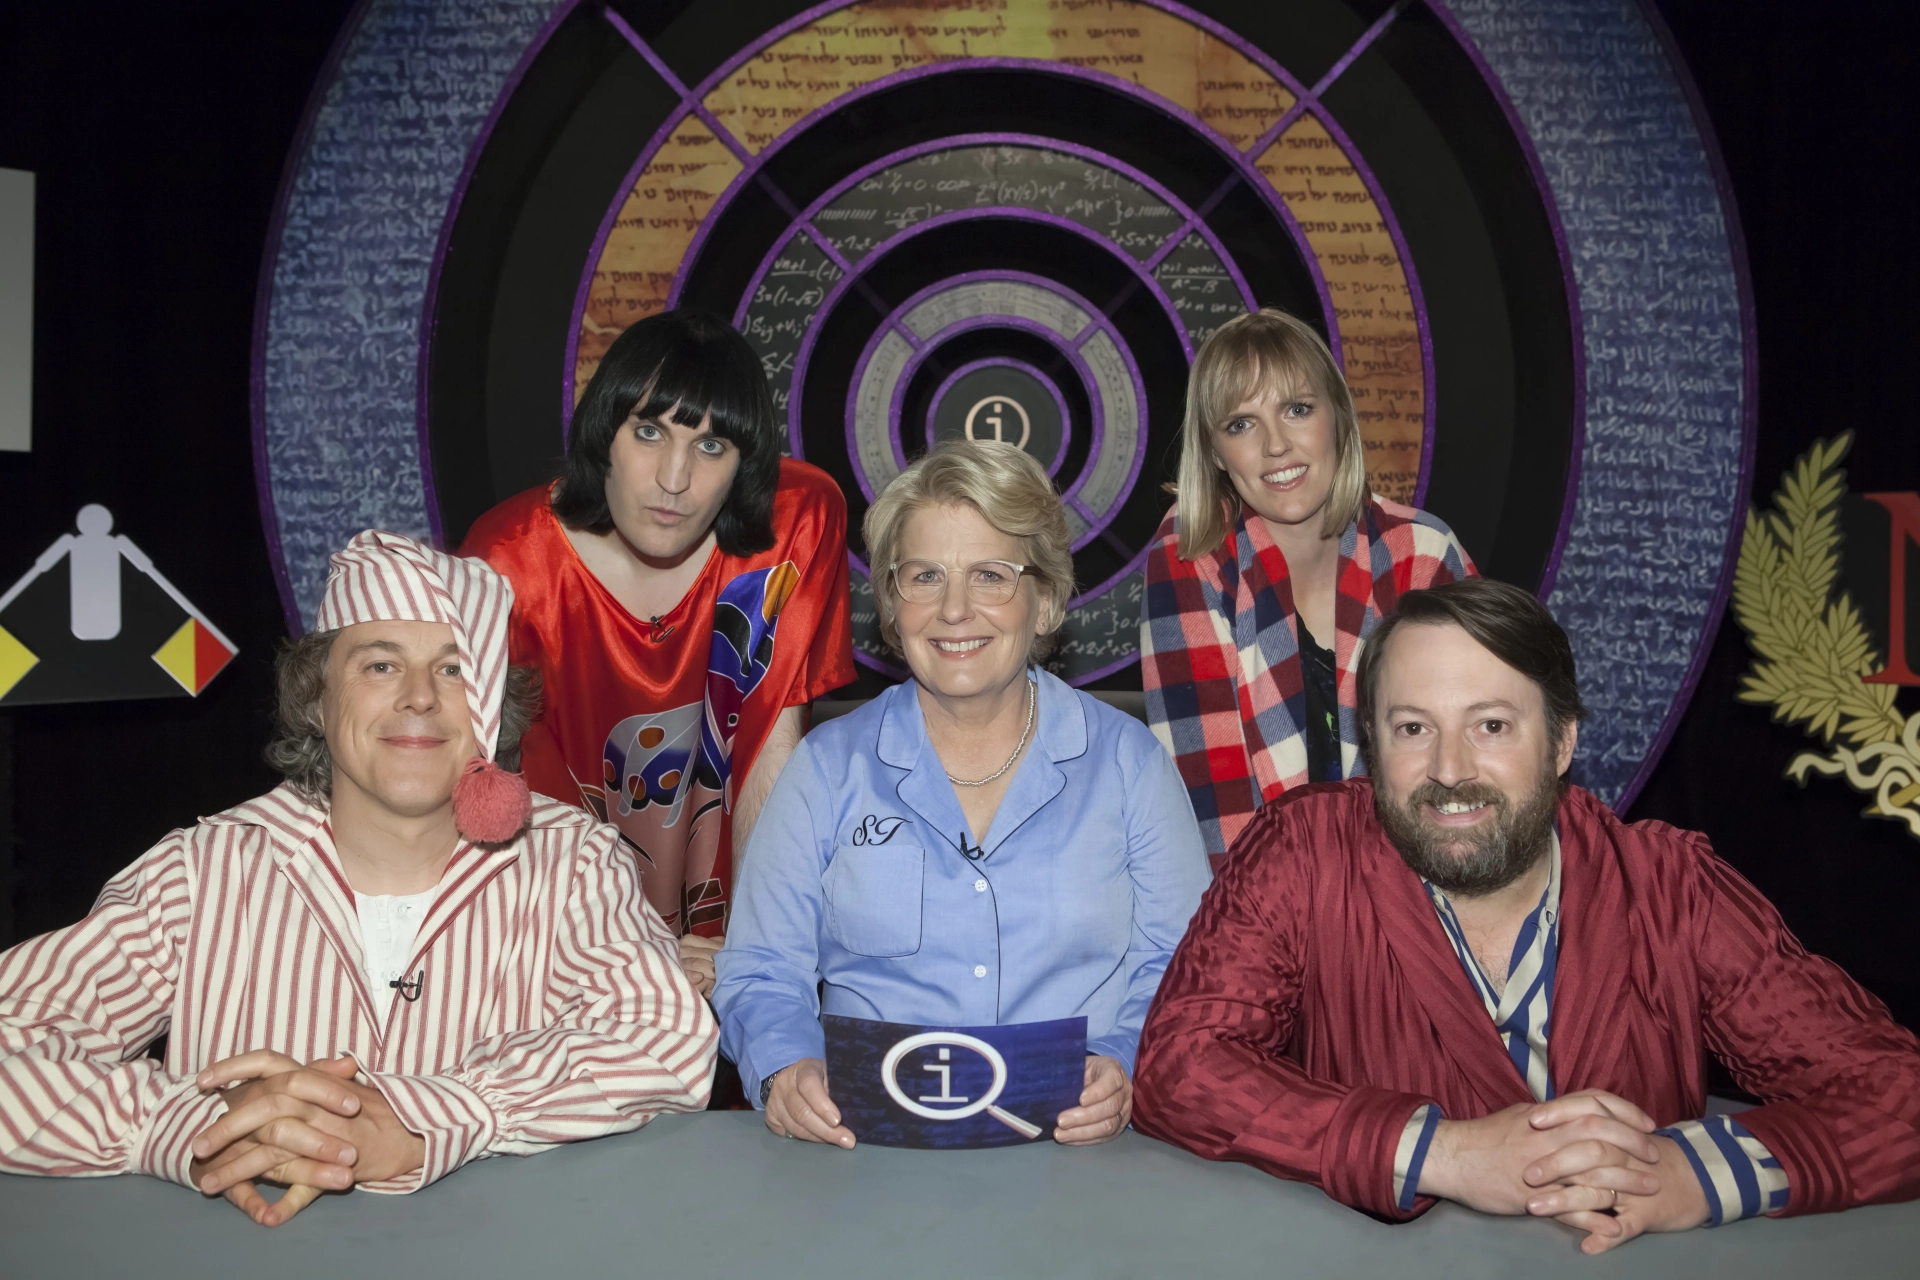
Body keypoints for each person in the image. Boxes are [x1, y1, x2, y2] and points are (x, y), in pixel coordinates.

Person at [1132, 578, 1920, 1252]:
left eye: (1492, 726)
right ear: (1371, 745)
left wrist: (1690, 1175)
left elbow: (1897, 1090)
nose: (1449, 771)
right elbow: (1181, 1064)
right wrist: (1439, 1152)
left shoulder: (1670, 887)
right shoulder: (1305, 852)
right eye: (1413, 728)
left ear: (1563, 741)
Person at [0, 531, 717, 1225]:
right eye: (380, 665)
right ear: (317, 699)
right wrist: (198, 1122)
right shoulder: (200, 872)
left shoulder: (572, 865)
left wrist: (424, 1117)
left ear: (492, 710)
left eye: (454, 668)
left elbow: (663, 1039)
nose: (419, 698)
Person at [713, 441, 1211, 1148]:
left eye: (990, 575)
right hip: (867, 1157)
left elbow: (1183, 963)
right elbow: (762, 967)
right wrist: (785, 1066)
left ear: (1044, 602)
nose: (954, 609)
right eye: (924, 576)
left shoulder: (1131, 765)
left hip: (1084, 1156)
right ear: (892, 603)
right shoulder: (826, 770)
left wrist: (1127, 1064)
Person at [461, 311, 854, 997]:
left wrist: (757, 947)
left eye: (711, 448)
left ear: (745, 464)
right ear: (600, 434)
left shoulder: (797, 522)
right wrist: (622, 957)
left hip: (728, 932)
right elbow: (489, 804)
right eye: (649, 432)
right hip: (558, 931)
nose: (675, 478)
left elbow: (772, 745)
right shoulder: (506, 561)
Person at [1141, 308, 1474, 865]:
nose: (1276, 445)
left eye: (1297, 409)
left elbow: (1475, 763)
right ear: (1217, 454)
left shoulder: (1424, 554)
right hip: (1261, 901)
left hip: (1423, 887)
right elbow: (1213, 799)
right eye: (1241, 424)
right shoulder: (1192, 550)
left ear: (1338, 417)